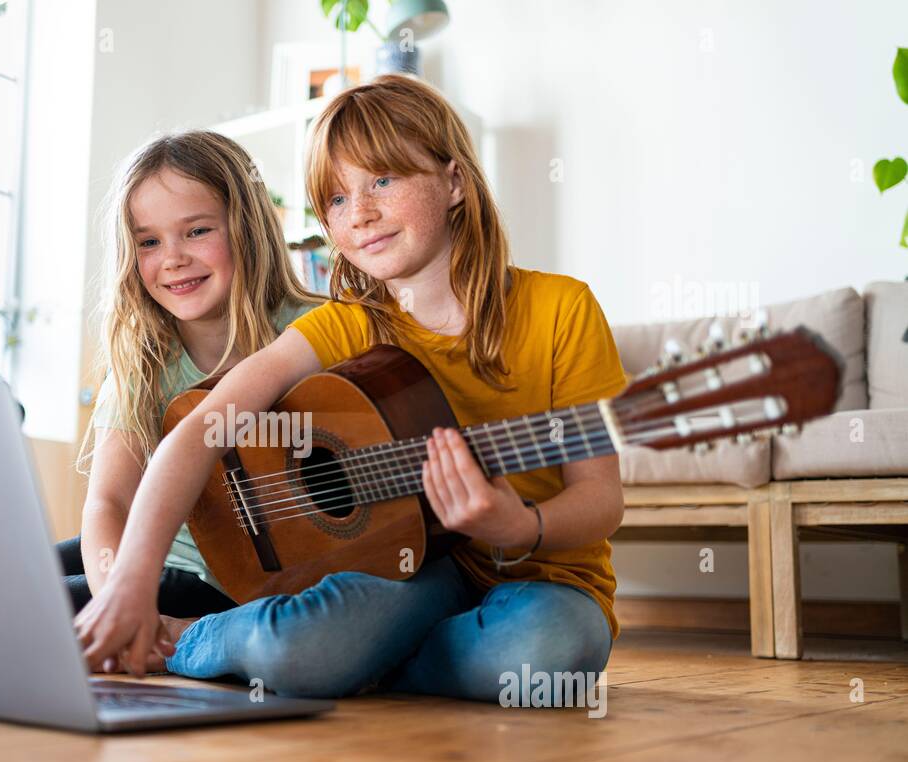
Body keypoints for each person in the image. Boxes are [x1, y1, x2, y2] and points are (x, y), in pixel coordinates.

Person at [76, 74, 629, 704]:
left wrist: (517, 524)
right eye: (336, 200)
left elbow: (601, 499)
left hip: (546, 579)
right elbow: (202, 429)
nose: (360, 213)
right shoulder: (346, 326)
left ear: (454, 181)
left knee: (547, 655)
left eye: (383, 181)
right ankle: (218, 641)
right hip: (413, 570)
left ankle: (370, 659)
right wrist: (130, 584)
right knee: (295, 645)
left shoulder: (562, 308)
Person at [62, 130, 322, 673]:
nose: (173, 260)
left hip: (220, 580)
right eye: (149, 242)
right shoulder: (143, 358)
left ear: (247, 230)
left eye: (197, 231)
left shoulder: (313, 334)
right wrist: (119, 601)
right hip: (145, 565)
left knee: (38, 610)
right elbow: (108, 503)